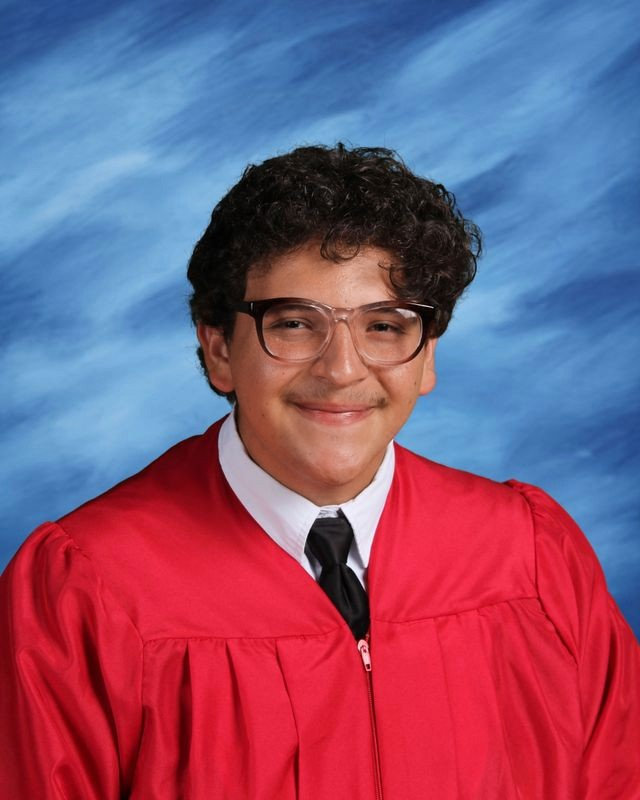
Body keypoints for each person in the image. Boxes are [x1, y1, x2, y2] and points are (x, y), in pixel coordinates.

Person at [0, 144, 638, 799]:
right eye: (295, 324)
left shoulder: (529, 554)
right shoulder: (89, 586)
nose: (341, 370)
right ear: (218, 349)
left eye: (384, 326)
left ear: (426, 358)